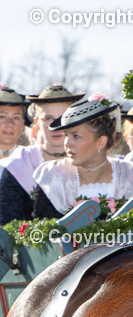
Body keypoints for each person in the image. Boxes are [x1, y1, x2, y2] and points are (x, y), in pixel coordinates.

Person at [33, 97, 133, 217]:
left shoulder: (131, 176)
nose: (67, 143)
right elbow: (44, 231)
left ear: (101, 142)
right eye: (66, 135)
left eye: (76, 136)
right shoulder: (53, 177)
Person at [0, 84, 81, 224]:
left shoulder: (87, 161)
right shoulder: (19, 164)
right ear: (37, 122)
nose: (56, 126)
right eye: (48, 118)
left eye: (63, 118)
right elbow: (7, 226)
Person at [0, 86, 28, 159]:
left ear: (22, 123)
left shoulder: (31, 160)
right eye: (2, 117)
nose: (10, 124)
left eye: (16, 118)